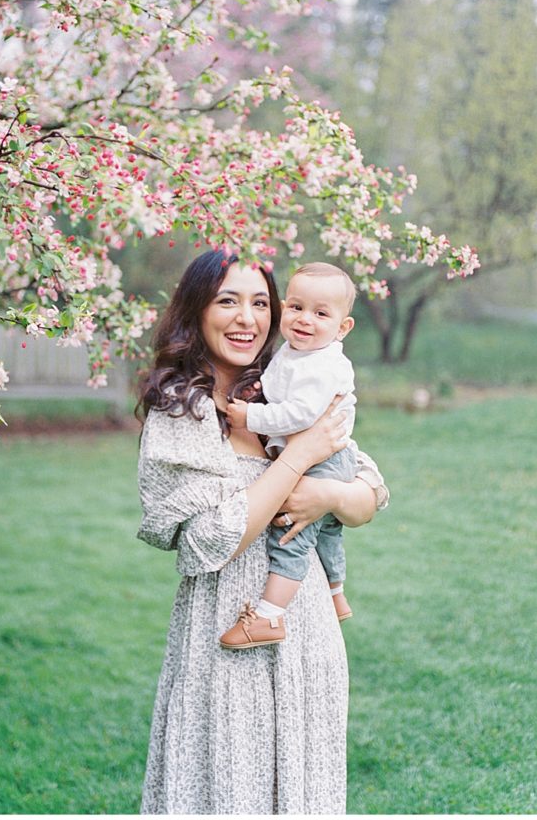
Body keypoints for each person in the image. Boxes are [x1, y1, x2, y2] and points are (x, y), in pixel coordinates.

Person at [136, 250, 389, 815]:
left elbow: (368, 493)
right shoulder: (185, 411)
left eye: (259, 303)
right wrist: (297, 460)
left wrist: (327, 494)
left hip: (306, 632)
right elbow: (208, 543)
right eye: (227, 301)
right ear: (198, 312)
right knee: (229, 787)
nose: (246, 318)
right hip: (225, 631)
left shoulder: (289, 390)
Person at [220, 262, 360, 650]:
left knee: (290, 535)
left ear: (342, 327)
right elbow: (279, 383)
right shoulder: (297, 351)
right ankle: (335, 592)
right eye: (296, 308)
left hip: (324, 462)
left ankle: (268, 616)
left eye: (320, 313)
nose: (305, 320)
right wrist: (260, 390)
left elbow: (299, 413)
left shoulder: (324, 364)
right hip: (327, 457)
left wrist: (252, 414)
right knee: (327, 531)